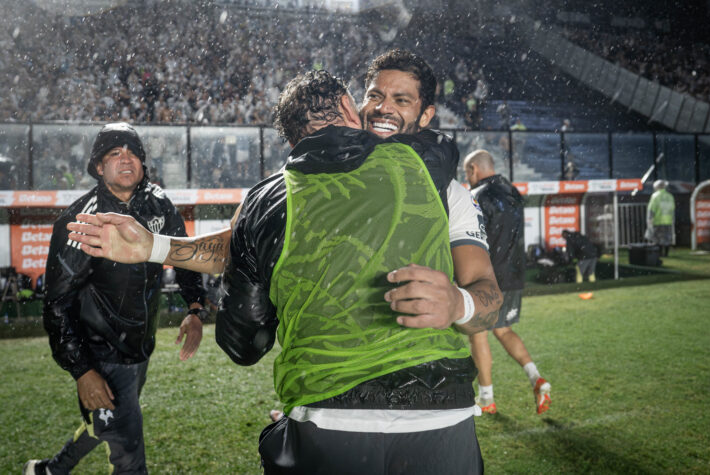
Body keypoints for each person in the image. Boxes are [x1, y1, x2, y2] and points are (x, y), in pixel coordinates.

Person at [68, 65, 502, 474]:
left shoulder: (443, 189)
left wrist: (457, 302)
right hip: (429, 414)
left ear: (427, 115)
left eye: (401, 99)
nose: (383, 108)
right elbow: (239, 245)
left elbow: (488, 301)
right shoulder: (300, 191)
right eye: (375, 95)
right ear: (353, 107)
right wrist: (157, 245)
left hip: (342, 416)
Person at [24, 123, 207, 475]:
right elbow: (57, 304)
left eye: (133, 152)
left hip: (140, 347)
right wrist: (83, 371)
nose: (127, 160)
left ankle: (48, 471)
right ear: (98, 166)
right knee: (129, 458)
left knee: (106, 422)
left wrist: (195, 307)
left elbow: (184, 256)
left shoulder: (159, 205)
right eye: (115, 153)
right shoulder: (81, 221)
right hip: (100, 355)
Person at [463, 149, 552, 415]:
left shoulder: (476, 196)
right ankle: (537, 378)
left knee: (479, 334)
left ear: (474, 170)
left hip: (486, 277)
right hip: (513, 276)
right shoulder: (513, 192)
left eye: (467, 172)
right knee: (503, 330)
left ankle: (487, 399)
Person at [646, 179, 675, 256]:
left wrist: (649, 219)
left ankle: (659, 253)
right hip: (668, 221)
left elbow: (651, 209)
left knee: (657, 238)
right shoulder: (670, 196)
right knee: (667, 238)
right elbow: (672, 209)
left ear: (656, 187)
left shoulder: (655, 196)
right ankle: (666, 253)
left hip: (658, 220)